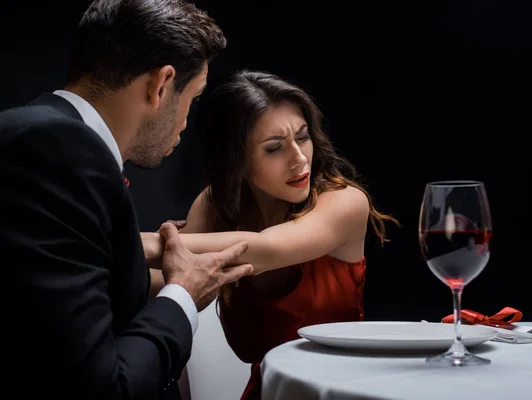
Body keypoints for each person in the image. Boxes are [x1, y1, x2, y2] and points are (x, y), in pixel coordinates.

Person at [0, 1, 253, 399]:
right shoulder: (59, 150)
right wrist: (183, 295)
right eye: (194, 97)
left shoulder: (40, 133)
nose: (187, 122)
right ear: (162, 84)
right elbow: (102, 387)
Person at [143, 70, 400, 399]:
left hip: (344, 391)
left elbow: (264, 250)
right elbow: (172, 280)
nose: (299, 158)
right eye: (275, 148)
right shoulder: (216, 205)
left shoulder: (346, 202)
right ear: (238, 160)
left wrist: (140, 241)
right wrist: (89, 260)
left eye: (303, 137)